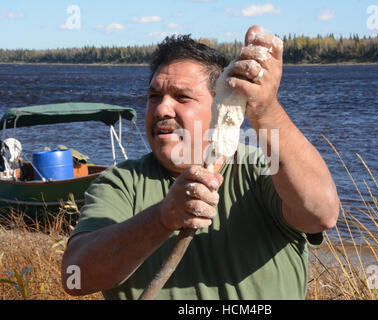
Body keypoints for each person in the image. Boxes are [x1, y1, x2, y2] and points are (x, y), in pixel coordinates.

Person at [61, 25, 339, 300]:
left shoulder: (259, 167)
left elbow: (320, 213)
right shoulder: (121, 183)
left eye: (181, 97)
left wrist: (266, 111)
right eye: (154, 96)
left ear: (219, 105)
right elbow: (76, 277)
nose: (161, 109)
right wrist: (162, 218)